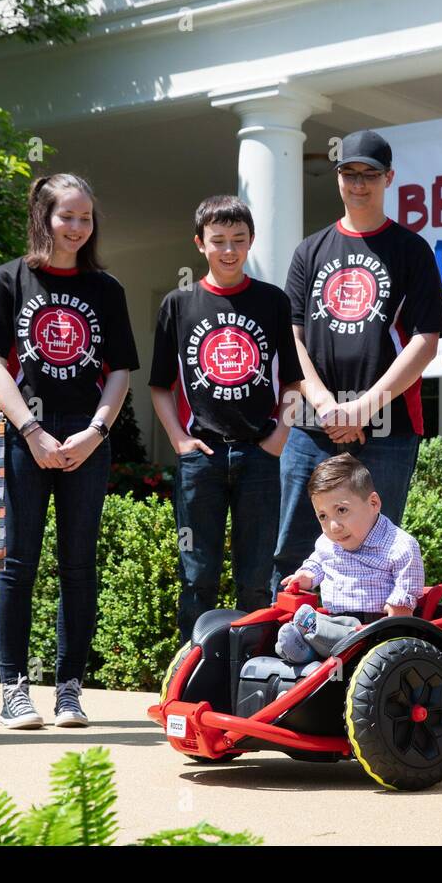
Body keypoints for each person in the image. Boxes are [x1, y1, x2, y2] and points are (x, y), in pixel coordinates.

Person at [0, 173, 139, 730]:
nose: (77, 227)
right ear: (43, 218)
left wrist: (95, 433)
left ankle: (69, 691)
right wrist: (30, 432)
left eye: (85, 217)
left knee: (78, 564)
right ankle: (14, 689)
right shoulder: (6, 280)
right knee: (16, 562)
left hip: (86, 434)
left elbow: (119, 375)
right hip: (26, 432)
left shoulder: (106, 288)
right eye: (66, 216)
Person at [271, 130, 442, 598]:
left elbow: (426, 342)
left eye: (370, 174)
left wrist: (363, 408)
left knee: (379, 552)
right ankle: (282, 660)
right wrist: (328, 406)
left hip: (387, 427)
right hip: (311, 427)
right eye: (350, 173)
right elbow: (291, 338)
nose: (359, 183)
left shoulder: (412, 251)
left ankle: (365, 665)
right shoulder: (309, 251)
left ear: (389, 178)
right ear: (338, 178)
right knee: (293, 551)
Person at [149, 195, 303, 642]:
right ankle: (193, 674)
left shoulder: (273, 301)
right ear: (200, 243)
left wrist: (280, 436)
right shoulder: (179, 305)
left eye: (238, 239)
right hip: (202, 457)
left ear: (251, 241)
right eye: (218, 241)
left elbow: (293, 381)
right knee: (198, 579)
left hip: (259, 456)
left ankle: (251, 673)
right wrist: (179, 440)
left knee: (256, 579)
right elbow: (160, 385)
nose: (229, 250)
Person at [279, 453, 426, 629]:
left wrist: (399, 608)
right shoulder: (328, 542)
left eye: (342, 510)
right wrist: (307, 575)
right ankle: (300, 641)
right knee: (289, 625)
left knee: (317, 634)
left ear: (373, 503)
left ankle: (308, 643)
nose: (333, 527)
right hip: (334, 619)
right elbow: (318, 561)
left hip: (374, 626)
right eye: (323, 516)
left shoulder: (399, 546)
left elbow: (408, 584)